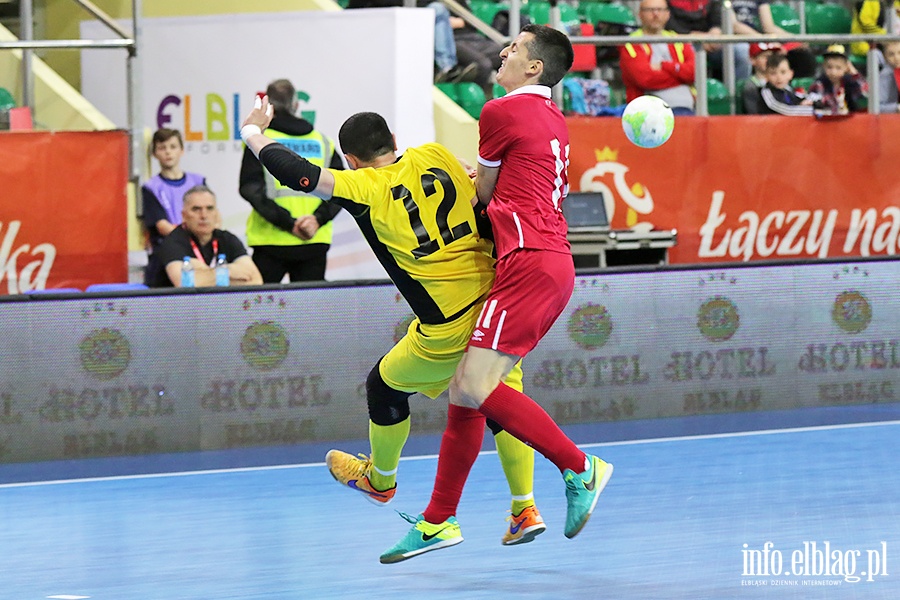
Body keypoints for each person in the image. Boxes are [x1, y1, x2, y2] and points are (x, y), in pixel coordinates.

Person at [240, 107, 545, 545]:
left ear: (351, 159)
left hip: (445, 328)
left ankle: (380, 480)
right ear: (394, 139)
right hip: (495, 309)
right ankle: (524, 508)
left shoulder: (364, 186)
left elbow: (297, 173)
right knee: (501, 401)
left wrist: (252, 131)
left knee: (383, 387)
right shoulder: (437, 155)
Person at [380, 24, 613, 564]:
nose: (503, 53)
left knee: (476, 386)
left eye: (515, 49)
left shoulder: (499, 111)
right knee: (466, 390)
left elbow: (482, 194)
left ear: (534, 67)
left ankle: (580, 467)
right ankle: (438, 521)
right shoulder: (552, 117)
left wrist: (465, 180)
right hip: (544, 261)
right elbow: (512, 181)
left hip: (528, 262)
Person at [239, 79, 344, 283]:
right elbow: (342, 189)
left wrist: (289, 223)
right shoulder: (322, 142)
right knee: (309, 312)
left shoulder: (259, 140)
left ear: (268, 107)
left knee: (261, 312)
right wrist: (316, 220)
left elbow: (250, 188)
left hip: (271, 242)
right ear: (296, 105)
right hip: (314, 239)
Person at [151, 185, 263, 288]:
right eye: (196, 209)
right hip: (177, 307)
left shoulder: (228, 239)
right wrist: (228, 272)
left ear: (217, 214)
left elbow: (256, 281)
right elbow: (185, 284)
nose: (204, 215)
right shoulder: (173, 242)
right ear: (184, 215)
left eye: (209, 208)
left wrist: (204, 272)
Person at [347, 0, 477, 82]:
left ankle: (448, 68)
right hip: (384, 23)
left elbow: (470, 21)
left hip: (414, 22)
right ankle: (447, 68)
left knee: (438, 8)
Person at [142, 128, 206, 287]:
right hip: (166, 254)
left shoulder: (198, 181)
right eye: (162, 148)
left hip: (199, 249)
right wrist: (187, 239)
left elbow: (212, 216)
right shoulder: (151, 188)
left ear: (182, 150)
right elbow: (161, 225)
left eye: (173, 147)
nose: (168, 152)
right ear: (155, 154)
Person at [620, 0, 697, 115]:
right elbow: (645, 79)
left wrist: (664, 66)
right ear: (640, 14)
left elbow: (694, 73)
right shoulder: (631, 43)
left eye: (660, 10)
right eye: (650, 10)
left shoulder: (678, 40)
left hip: (687, 109)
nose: (656, 14)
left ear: (668, 14)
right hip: (648, 113)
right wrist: (681, 76)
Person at [666, 0, 751, 81]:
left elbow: (718, 17)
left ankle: (737, 93)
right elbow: (667, 22)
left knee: (742, 50)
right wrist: (694, 37)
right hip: (681, 41)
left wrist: (716, 32)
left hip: (710, 41)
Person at [730, 0, 817, 77]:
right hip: (737, 39)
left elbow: (769, 27)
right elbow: (734, 26)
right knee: (742, 50)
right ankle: (742, 87)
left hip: (760, 39)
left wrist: (795, 39)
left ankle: (796, 89)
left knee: (802, 52)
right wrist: (764, 41)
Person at [807, 45, 868, 116]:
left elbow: (865, 91)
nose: (833, 72)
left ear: (846, 67)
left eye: (838, 68)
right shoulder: (819, 84)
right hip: (827, 122)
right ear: (824, 66)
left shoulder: (850, 83)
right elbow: (814, 101)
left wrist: (854, 72)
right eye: (829, 67)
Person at [756, 52, 814, 116]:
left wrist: (809, 102)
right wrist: (814, 111)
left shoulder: (787, 89)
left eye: (783, 72)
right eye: (773, 73)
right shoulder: (766, 92)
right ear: (766, 76)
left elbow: (802, 98)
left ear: (791, 74)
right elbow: (788, 111)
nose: (779, 78)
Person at [741, 41, 782, 114]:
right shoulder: (751, 87)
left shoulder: (782, 81)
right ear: (753, 60)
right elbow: (753, 114)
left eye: (772, 56)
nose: (770, 60)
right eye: (765, 56)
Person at [879, 40, 900, 113]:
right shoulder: (885, 76)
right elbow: (878, 107)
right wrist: (897, 108)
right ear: (885, 57)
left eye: (899, 53)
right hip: (891, 120)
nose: (896, 58)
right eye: (891, 54)